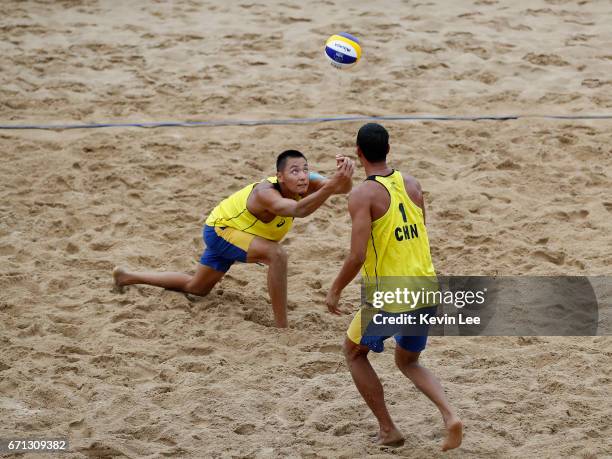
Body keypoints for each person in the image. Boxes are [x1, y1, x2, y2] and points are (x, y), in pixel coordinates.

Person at [325, 124, 462, 450]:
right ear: (389, 148)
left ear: (358, 153)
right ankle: (450, 415)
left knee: (354, 353)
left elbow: (357, 255)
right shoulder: (412, 184)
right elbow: (420, 233)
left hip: (391, 293)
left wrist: (335, 289)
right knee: (408, 361)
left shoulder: (362, 194)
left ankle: (388, 429)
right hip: (426, 287)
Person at [113, 149, 354, 328]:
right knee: (277, 255)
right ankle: (282, 327)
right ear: (279, 177)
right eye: (294, 171)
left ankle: (128, 276)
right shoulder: (266, 193)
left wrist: (343, 175)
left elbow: (343, 189)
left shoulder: (307, 182)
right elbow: (300, 211)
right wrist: (331, 186)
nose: (302, 176)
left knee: (197, 288)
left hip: (237, 233)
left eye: (304, 169)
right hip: (221, 231)